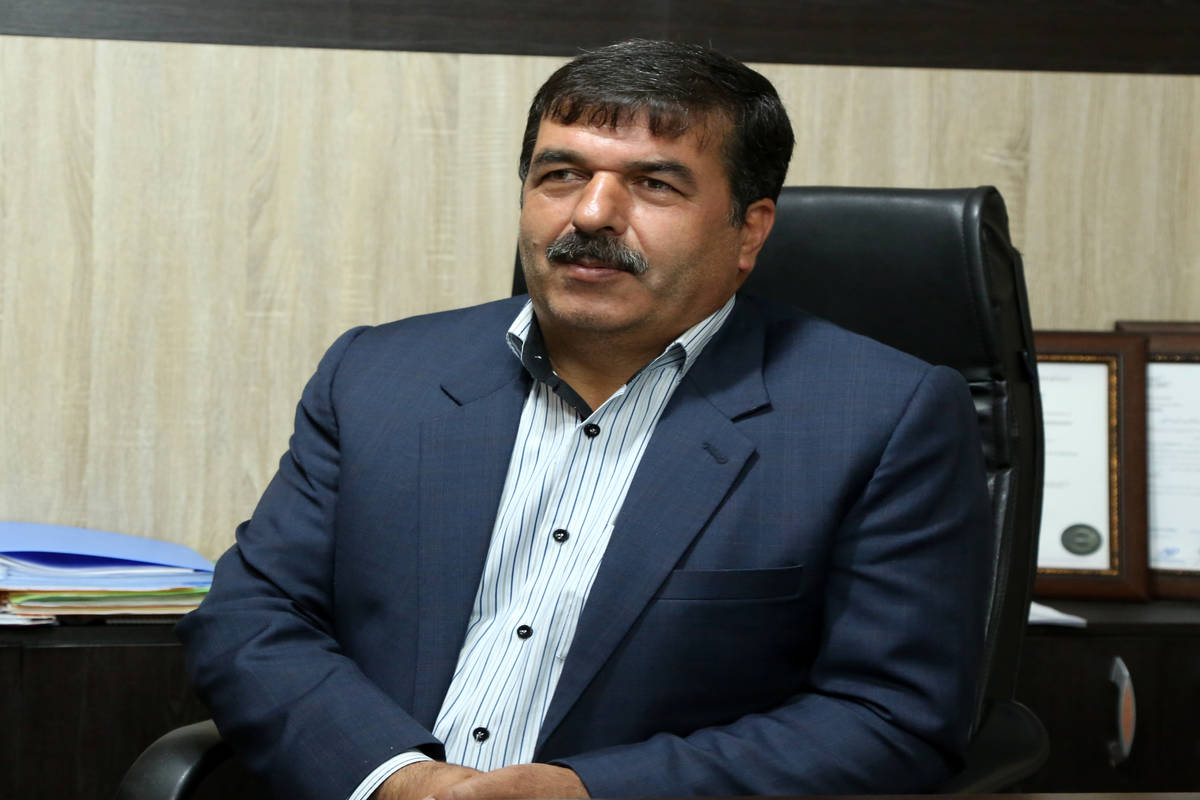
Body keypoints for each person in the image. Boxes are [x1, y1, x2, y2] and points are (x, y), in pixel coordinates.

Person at [178, 38, 991, 800]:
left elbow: (890, 717)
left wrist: (588, 791)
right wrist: (396, 777)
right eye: (560, 174)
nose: (593, 213)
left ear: (749, 231)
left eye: (655, 183)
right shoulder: (379, 375)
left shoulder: (883, 418)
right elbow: (256, 617)